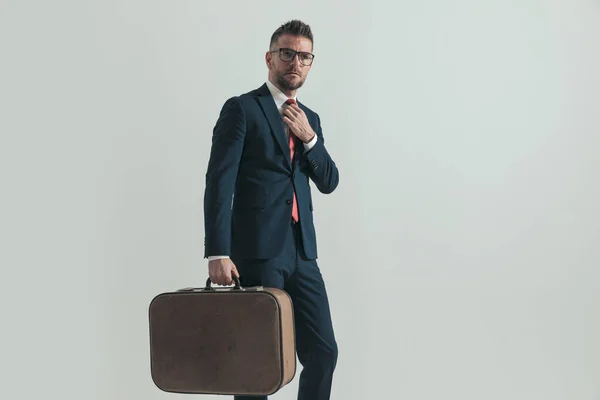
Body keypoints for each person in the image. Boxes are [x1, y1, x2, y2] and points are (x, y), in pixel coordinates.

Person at [203, 20, 339, 400]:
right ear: (270, 58)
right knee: (256, 360)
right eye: (287, 54)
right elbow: (219, 182)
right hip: (258, 253)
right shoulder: (243, 109)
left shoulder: (310, 119)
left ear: (311, 64)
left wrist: (309, 138)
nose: (295, 62)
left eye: (304, 56)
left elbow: (329, 181)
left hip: (302, 253)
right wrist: (218, 251)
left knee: (324, 352)